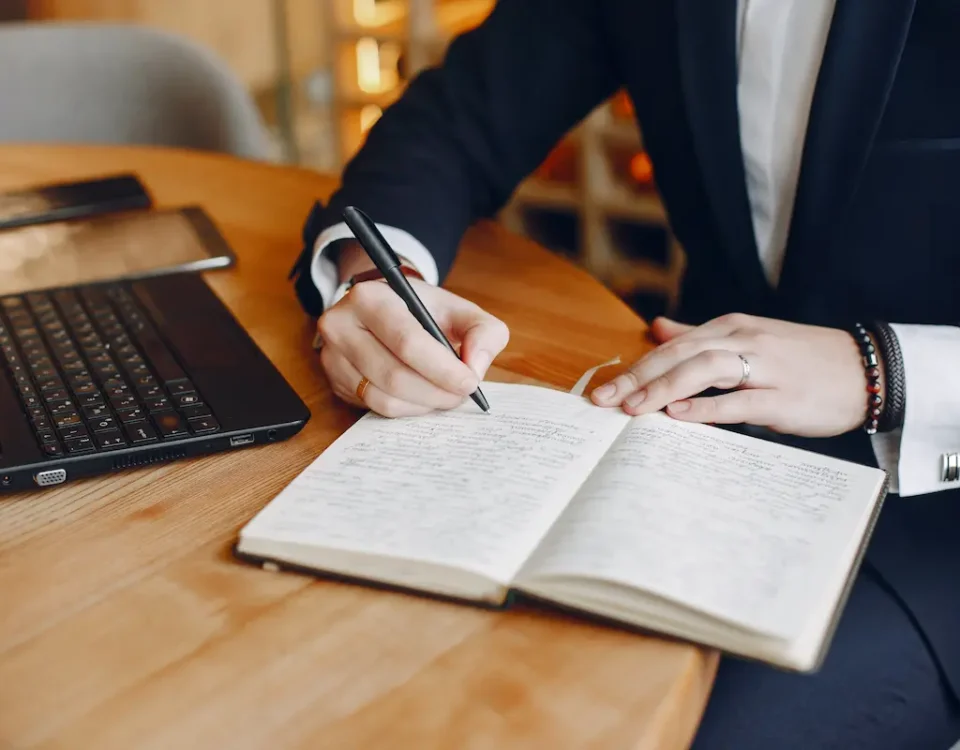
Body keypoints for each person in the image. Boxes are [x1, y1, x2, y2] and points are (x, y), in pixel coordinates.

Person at [289, 1, 960, 746]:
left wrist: (883, 373)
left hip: (930, 512)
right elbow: (456, 119)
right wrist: (379, 278)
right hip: (680, 436)